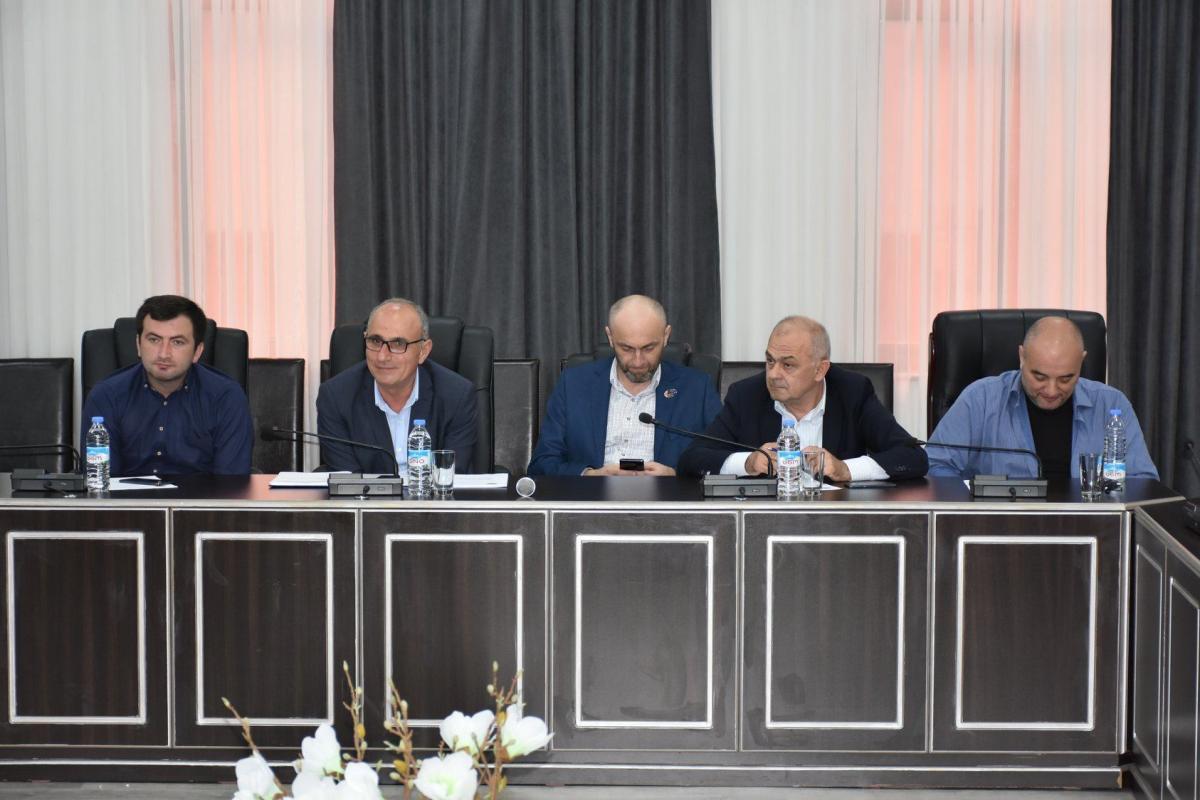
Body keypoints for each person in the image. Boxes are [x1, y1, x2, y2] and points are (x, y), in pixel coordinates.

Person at [677, 316, 927, 480]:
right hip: (765, 525)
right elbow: (691, 459)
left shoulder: (853, 392)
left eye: (788, 365)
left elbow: (912, 457)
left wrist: (845, 469)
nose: (773, 374)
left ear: (820, 370)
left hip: (837, 524)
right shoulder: (747, 395)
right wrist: (748, 463)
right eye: (770, 361)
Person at [927, 315, 1158, 479]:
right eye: (1039, 377)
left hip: (1089, 528)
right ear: (1022, 357)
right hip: (998, 527)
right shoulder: (981, 400)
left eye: (1066, 378)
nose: (1051, 391)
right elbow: (935, 466)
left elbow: (1143, 481)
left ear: (1082, 361)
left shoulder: (1111, 406)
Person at [528, 294, 722, 476]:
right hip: (592, 496)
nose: (638, 361)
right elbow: (541, 464)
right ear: (610, 337)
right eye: (627, 348)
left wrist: (675, 475)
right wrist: (591, 475)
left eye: (649, 348)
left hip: (668, 497)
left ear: (666, 335)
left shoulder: (697, 388)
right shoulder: (573, 384)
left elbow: (723, 458)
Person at [81, 295, 253, 476]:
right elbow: (99, 480)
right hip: (128, 496)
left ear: (197, 351)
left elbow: (231, 483)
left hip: (204, 495)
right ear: (138, 344)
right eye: (154, 340)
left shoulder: (226, 398)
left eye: (177, 342)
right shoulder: (106, 396)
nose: (164, 354)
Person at [317, 298, 477, 473]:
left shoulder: (457, 396)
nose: (382, 357)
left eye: (398, 344)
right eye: (375, 341)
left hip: (430, 492)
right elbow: (347, 480)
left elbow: (449, 476)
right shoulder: (335, 397)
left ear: (423, 351)